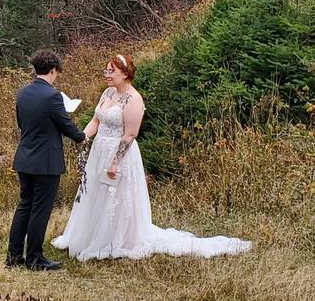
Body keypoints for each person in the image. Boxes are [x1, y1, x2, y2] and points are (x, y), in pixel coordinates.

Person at [52, 54, 252, 261]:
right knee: (94, 192)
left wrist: (115, 162)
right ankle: (89, 235)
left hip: (118, 154)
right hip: (99, 150)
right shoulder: (108, 92)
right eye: (106, 70)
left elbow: (130, 135)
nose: (107, 75)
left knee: (116, 196)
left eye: (111, 71)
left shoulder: (134, 99)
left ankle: (116, 239)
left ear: (125, 73)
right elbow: (96, 120)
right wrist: (83, 137)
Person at [7, 50, 86, 271]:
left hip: (25, 157)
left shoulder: (22, 93)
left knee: (24, 206)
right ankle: (34, 258)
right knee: (40, 210)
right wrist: (81, 136)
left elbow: (22, 123)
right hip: (46, 161)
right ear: (53, 70)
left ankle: (13, 257)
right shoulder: (53, 96)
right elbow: (65, 125)